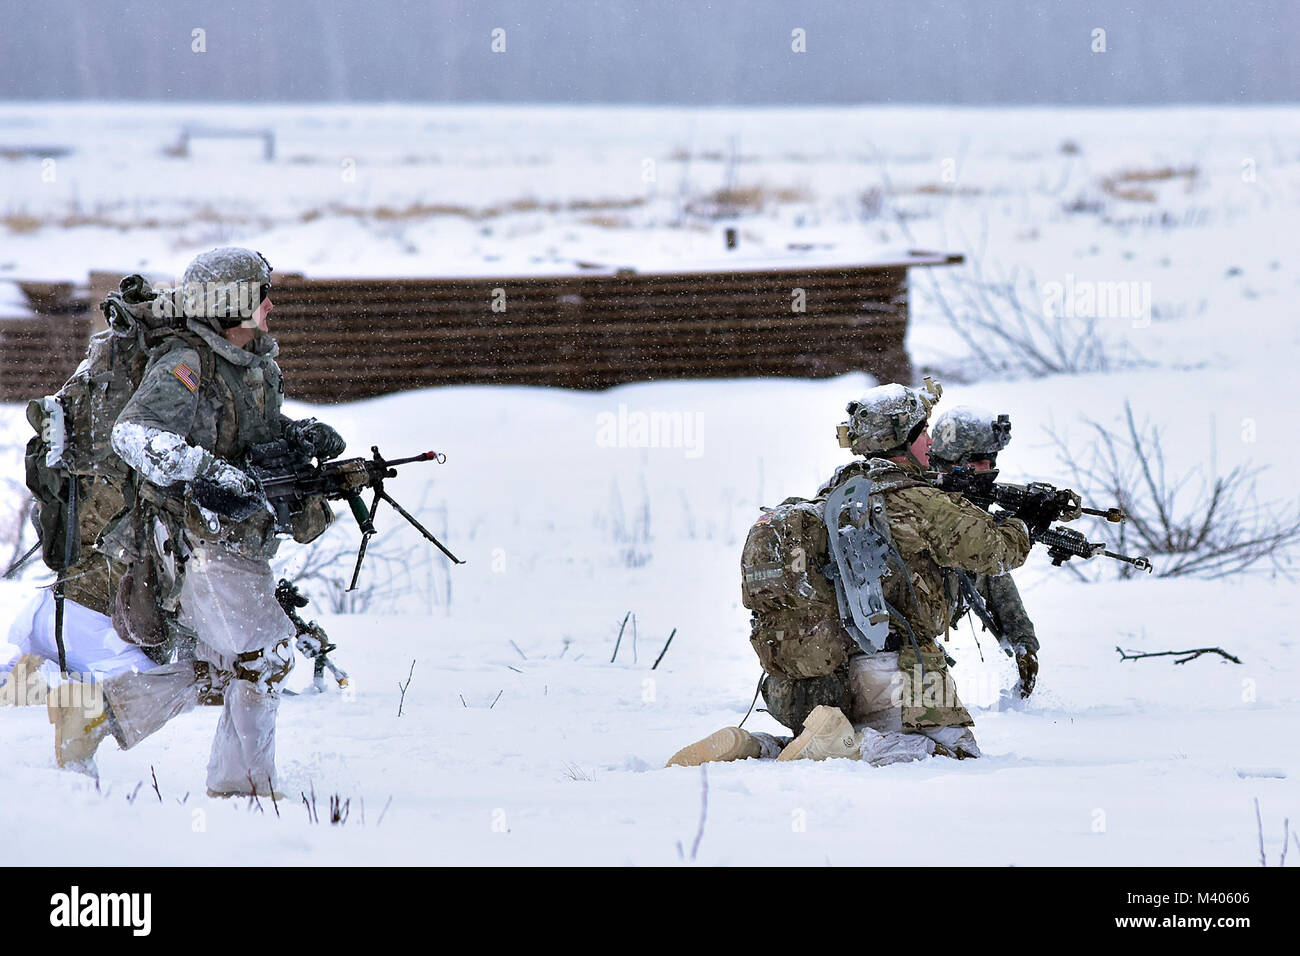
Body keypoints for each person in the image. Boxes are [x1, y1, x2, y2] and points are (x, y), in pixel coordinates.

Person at [47, 247, 341, 795]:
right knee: (265, 654)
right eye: (260, 297)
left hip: (236, 539)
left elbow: (247, 438)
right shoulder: (186, 363)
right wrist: (206, 473)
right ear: (232, 304)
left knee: (228, 666)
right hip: (196, 540)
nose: (270, 306)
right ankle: (243, 787)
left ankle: (93, 717)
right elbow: (133, 433)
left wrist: (299, 438)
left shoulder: (252, 364)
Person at [667, 379, 1034, 768]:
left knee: (825, 737)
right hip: (890, 673)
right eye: (923, 432)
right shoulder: (916, 500)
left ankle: (756, 747)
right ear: (901, 439)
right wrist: (1026, 522)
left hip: (806, 678)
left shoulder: (836, 495)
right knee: (956, 755)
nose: (930, 442)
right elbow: (998, 551)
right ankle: (853, 746)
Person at [929, 405, 1042, 697]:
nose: (989, 468)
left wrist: (1022, 640)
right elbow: (988, 554)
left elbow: (990, 569)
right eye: (980, 460)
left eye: (992, 459)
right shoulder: (928, 507)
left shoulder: (957, 505)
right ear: (953, 462)